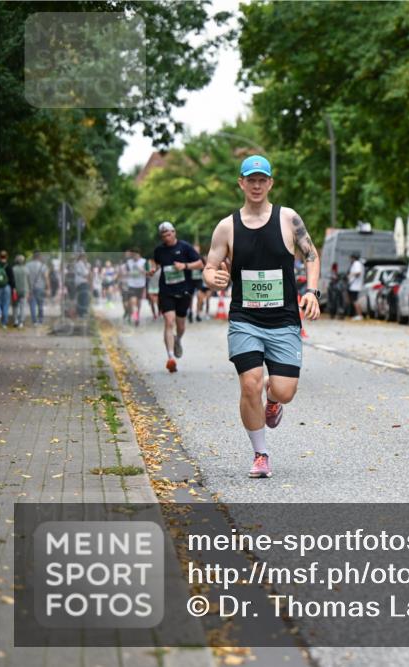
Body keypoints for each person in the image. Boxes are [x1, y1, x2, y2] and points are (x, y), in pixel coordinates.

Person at [204, 155, 321, 479]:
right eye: (250, 180)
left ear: (270, 183)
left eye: (262, 180)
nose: (256, 185)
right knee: (249, 384)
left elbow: (311, 255)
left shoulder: (288, 219)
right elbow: (210, 265)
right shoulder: (227, 226)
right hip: (245, 320)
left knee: (284, 391)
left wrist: (312, 292)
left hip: (283, 320)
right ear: (241, 183)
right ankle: (260, 454)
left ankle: (274, 399)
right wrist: (210, 277)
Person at [149, 222, 203, 372]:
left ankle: (178, 339)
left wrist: (185, 266)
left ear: (174, 232)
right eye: (164, 235)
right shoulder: (159, 250)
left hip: (184, 290)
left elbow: (200, 263)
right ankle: (170, 358)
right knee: (169, 321)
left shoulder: (184, 247)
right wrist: (153, 270)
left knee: (180, 325)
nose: (167, 237)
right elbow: (157, 264)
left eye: (169, 234)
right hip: (166, 291)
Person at [122, 247, 148, 326]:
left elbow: (147, 273)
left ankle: (137, 315)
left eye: (135, 255)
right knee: (133, 302)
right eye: (132, 255)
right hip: (131, 285)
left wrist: (141, 270)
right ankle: (135, 318)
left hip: (141, 285)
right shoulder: (129, 262)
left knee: (138, 303)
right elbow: (125, 272)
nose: (133, 256)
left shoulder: (144, 261)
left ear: (139, 254)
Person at [25, 251, 49, 325]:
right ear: (39, 257)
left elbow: (26, 277)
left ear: (33, 257)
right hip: (40, 287)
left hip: (30, 288)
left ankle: (34, 321)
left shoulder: (27, 265)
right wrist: (48, 287)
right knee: (40, 304)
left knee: (32, 304)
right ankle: (40, 320)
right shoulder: (43, 266)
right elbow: (46, 277)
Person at [0, 250, 12, 327]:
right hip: (6, 287)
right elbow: (12, 278)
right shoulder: (8, 266)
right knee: (5, 304)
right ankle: (4, 323)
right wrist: (13, 288)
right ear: (6, 257)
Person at [12, 255, 29, 327]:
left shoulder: (13, 269)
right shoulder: (26, 269)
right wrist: (29, 290)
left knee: (15, 306)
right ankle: (21, 322)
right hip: (24, 290)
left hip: (15, 290)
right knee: (22, 306)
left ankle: (15, 320)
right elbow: (29, 280)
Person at [347, 253, 364, 320]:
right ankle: (357, 314)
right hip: (354, 286)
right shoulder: (357, 263)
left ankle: (359, 315)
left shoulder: (357, 263)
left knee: (355, 301)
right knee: (354, 301)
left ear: (353, 258)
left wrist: (351, 275)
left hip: (355, 286)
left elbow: (358, 272)